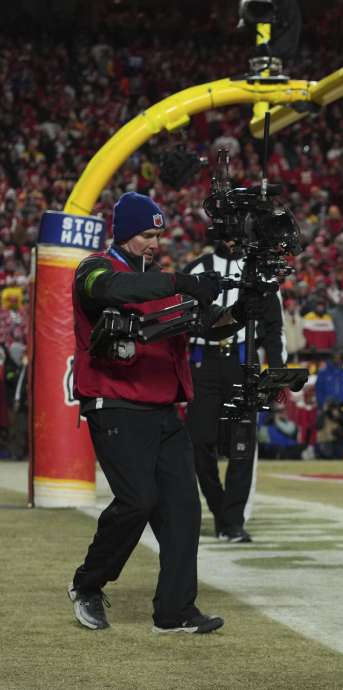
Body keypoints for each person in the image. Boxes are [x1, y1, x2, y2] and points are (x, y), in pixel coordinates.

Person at [68, 191, 231, 634]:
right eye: (145, 235)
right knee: (138, 499)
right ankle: (87, 584)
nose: (153, 243)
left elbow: (203, 327)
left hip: (164, 411)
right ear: (123, 234)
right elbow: (111, 291)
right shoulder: (94, 269)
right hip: (116, 405)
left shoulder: (156, 280)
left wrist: (232, 309)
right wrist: (182, 282)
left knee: (182, 510)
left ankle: (174, 611)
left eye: (157, 234)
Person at [184, 233, 285, 544]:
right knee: (199, 441)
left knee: (241, 442)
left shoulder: (259, 273)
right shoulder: (197, 268)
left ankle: (233, 520)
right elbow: (183, 313)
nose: (230, 242)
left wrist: (277, 370)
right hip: (203, 360)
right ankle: (220, 510)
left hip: (242, 360)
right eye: (225, 236)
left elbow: (273, 326)